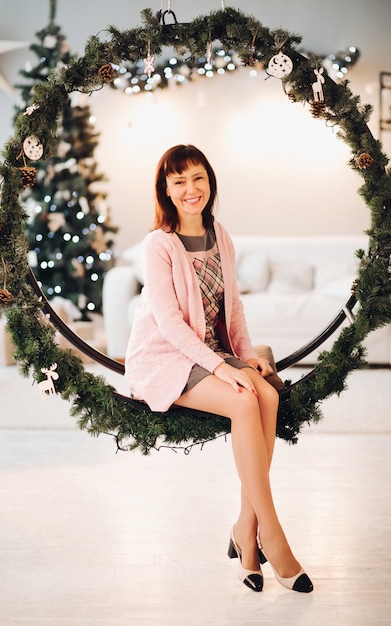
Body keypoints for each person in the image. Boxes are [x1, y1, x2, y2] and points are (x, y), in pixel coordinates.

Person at [125, 144, 313, 593]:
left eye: (198, 179)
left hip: (210, 351)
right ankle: (272, 536)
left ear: (209, 183)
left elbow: (234, 309)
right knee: (247, 401)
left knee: (265, 392)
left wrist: (243, 357)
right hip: (165, 356)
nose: (191, 189)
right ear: (166, 191)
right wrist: (221, 369)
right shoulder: (159, 244)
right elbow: (169, 322)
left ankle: (245, 532)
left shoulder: (220, 235)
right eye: (179, 182)